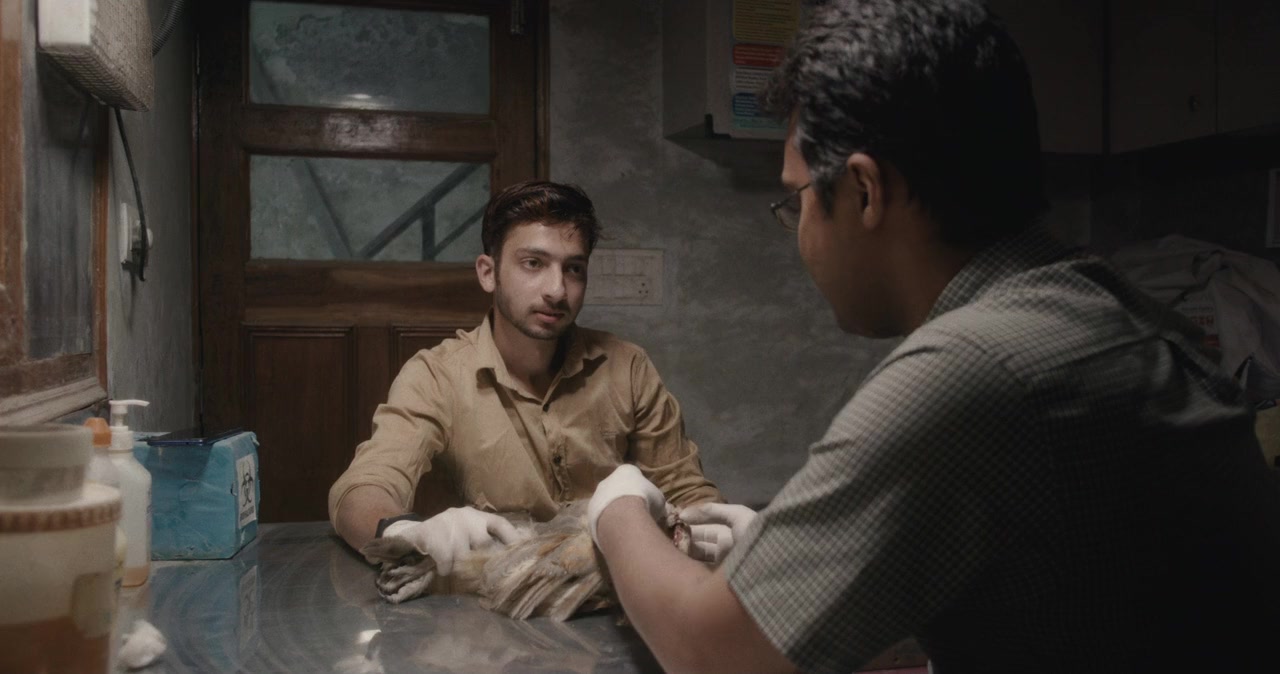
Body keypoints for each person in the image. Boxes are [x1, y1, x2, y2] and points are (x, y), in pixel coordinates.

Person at [587, 1, 1280, 673]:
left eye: (797, 200)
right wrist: (791, 560)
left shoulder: (974, 367)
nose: (799, 232)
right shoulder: (1127, 314)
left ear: (864, 191)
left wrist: (617, 508)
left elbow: (712, 655)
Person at [330, 180, 722, 579]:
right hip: (484, 600)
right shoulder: (437, 375)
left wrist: (725, 531)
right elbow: (363, 488)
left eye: (573, 269)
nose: (557, 290)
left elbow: (686, 490)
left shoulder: (627, 367)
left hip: (616, 590)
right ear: (488, 273)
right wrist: (407, 532)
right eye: (533, 263)